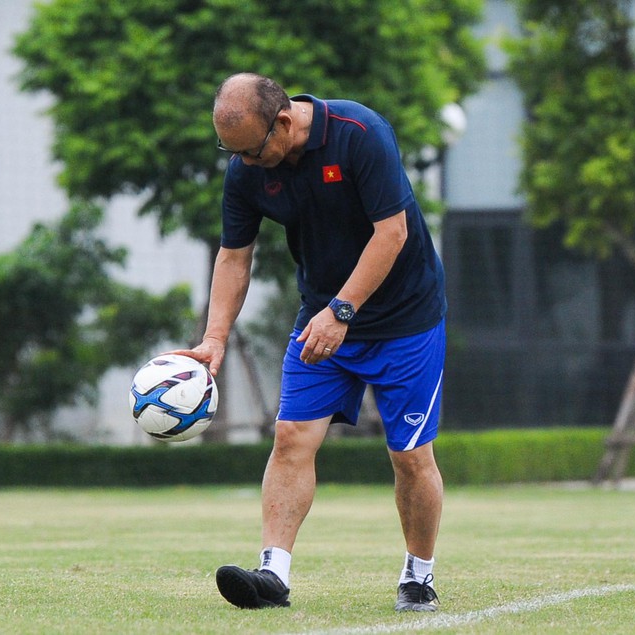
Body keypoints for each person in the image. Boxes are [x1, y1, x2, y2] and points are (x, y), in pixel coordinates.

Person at [176, 72, 446, 612]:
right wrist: (214, 339)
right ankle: (273, 575)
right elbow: (234, 256)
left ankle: (419, 575)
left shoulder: (360, 133)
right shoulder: (245, 171)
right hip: (322, 316)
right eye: (232, 153)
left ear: (282, 122)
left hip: (405, 318)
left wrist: (342, 311)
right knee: (291, 435)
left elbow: (390, 233)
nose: (244, 164)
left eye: (251, 151)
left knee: (410, 456)